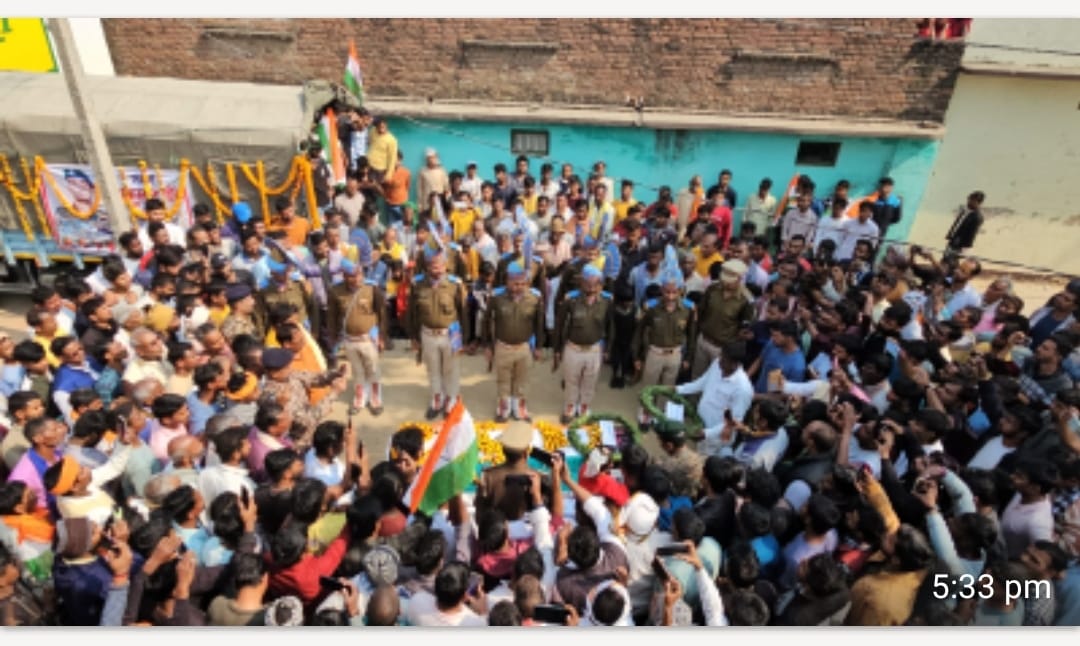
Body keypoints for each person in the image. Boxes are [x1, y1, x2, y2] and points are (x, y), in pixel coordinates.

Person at [407, 245, 469, 420]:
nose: (436, 268)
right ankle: (436, 400)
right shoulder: (417, 284)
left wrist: (464, 339)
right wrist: (413, 337)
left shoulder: (455, 285)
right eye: (432, 264)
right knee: (433, 369)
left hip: (450, 334)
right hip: (428, 334)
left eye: (439, 264)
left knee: (451, 370)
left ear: (445, 264)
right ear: (427, 265)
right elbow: (412, 313)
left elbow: (463, 313)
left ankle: (451, 400)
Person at [482, 262, 544, 422]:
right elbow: (486, 321)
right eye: (515, 284)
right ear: (507, 281)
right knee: (503, 379)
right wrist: (487, 345)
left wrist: (538, 347)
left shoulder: (534, 298)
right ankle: (504, 408)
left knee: (522, 379)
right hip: (503, 347)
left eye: (523, 283)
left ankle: (519, 408)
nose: (519, 287)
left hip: (524, 347)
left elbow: (539, 324)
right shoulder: (496, 297)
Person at [553, 264, 613, 424]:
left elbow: (611, 326)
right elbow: (559, 326)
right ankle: (570, 407)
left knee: (590, 381)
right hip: (573, 349)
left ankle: (584, 407)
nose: (591, 288)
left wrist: (608, 349)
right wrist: (557, 349)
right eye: (588, 284)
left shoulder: (607, 302)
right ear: (581, 283)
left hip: (594, 349)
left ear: (601, 285)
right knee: (571, 380)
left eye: (596, 284)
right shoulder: (570, 301)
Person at [326, 259, 386, 415]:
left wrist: (382, 337)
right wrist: (333, 337)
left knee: (372, 370)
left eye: (359, 274)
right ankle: (359, 399)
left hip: (368, 339)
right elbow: (332, 316)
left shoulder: (372, 288)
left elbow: (382, 314)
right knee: (357, 371)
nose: (358, 278)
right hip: (349, 339)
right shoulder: (335, 291)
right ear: (345, 276)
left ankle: (375, 399)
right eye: (352, 276)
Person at [676, 342, 753, 457]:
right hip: (701, 425)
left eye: (724, 359)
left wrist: (706, 433)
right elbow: (701, 383)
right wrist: (678, 389)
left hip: (716, 438)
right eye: (721, 356)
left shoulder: (743, 389)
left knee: (704, 461)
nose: (720, 360)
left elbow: (733, 422)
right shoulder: (718, 364)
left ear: (734, 364)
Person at [691, 259, 754, 379]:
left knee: (715, 379)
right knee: (696, 377)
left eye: (729, 281)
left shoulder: (746, 300)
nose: (725, 283)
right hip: (703, 340)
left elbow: (745, 325)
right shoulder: (712, 289)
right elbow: (701, 312)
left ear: (739, 279)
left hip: (722, 349)